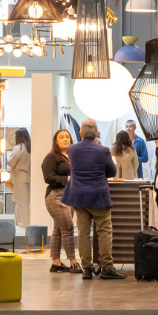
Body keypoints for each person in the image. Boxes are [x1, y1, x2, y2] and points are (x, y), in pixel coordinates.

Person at [61, 118, 120, 280]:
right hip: (98, 196)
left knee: (83, 233)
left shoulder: (72, 150)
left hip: (79, 196)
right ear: (96, 134)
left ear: (80, 133)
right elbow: (112, 172)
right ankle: (107, 267)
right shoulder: (103, 151)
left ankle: (87, 269)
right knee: (104, 232)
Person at [42, 130, 80, 274]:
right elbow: (48, 178)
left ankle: (56, 263)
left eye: (67, 137)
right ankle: (73, 262)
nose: (65, 139)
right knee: (68, 228)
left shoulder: (72, 157)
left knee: (58, 230)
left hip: (70, 195)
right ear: (56, 141)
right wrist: (66, 179)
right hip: (55, 196)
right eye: (61, 137)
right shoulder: (51, 157)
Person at [8, 129, 31, 228]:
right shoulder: (30, 147)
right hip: (29, 177)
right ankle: (22, 222)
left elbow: (10, 162)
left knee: (21, 201)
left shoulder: (19, 148)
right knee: (25, 200)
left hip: (20, 177)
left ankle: (26, 223)